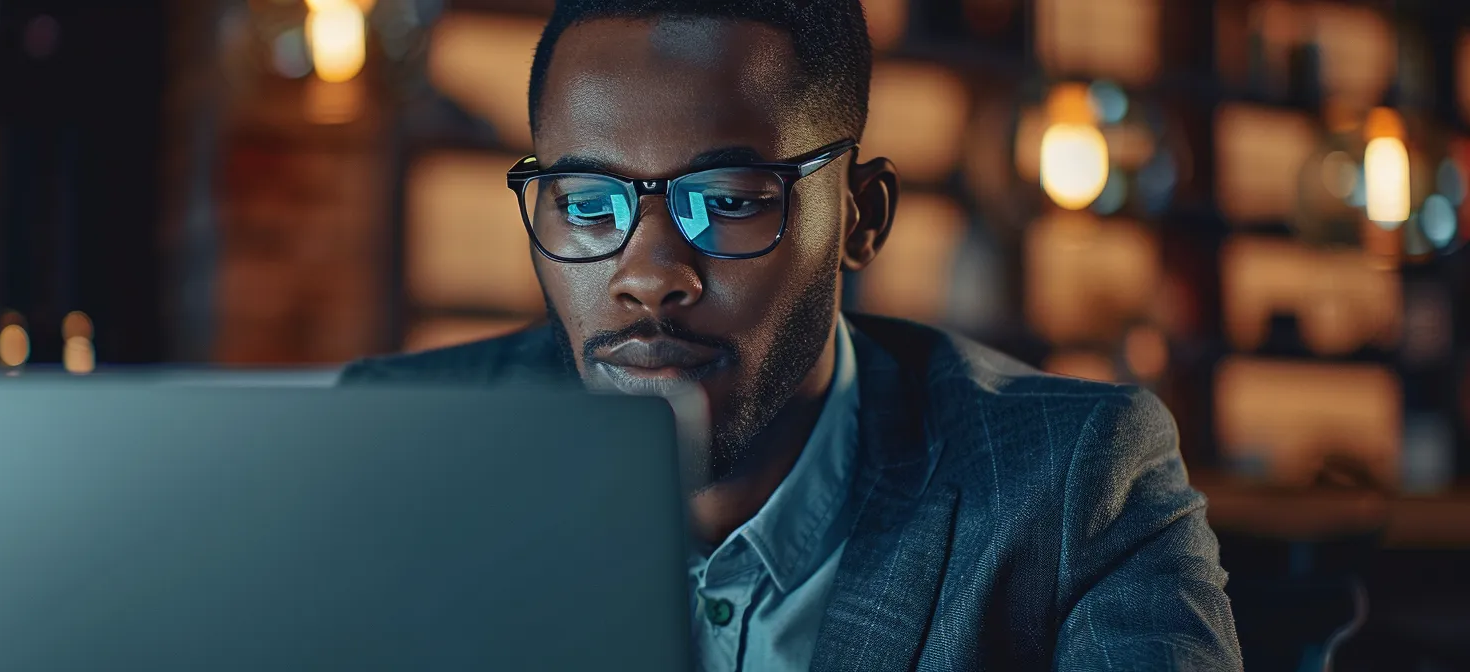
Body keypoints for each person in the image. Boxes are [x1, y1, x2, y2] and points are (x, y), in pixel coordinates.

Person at [341, 0, 1241, 668]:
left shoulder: (1076, 483)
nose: (648, 274)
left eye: (727, 201)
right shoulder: (395, 445)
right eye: (586, 203)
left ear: (860, 217)